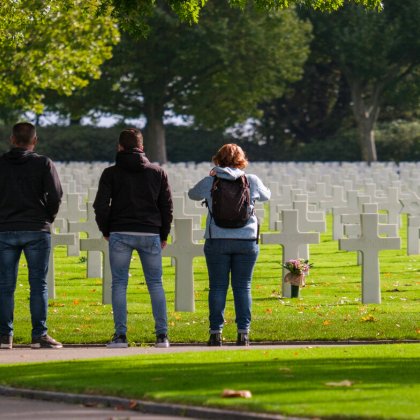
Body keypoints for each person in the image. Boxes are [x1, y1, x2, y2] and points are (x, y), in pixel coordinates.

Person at [94, 128, 173, 348]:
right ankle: (162, 336)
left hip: (121, 231)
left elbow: (100, 205)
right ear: (142, 147)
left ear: (119, 147)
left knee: (119, 284)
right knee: (155, 284)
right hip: (150, 233)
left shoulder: (111, 173)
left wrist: (106, 230)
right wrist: (163, 233)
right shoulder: (157, 172)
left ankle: (120, 337)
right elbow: (166, 207)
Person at [188, 143, 271, 346]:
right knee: (243, 287)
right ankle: (244, 333)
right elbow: (267, 196)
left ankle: (215, 333)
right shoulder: (251, 180)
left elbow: (192, 194)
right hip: (246, 241)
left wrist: (213, 175)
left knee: (217, 287)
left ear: (218, 158)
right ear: (241, 160)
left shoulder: (211, 180)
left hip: (217, 239)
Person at [0, 122, 63, 350]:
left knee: (5, 285)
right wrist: (48, 217)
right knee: (38, 285)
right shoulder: (43, 163)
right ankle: (39, 335)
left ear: (12, 139)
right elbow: (55, 195)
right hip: (37, 228)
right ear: (34, 141)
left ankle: (4, 336)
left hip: (5, 228)